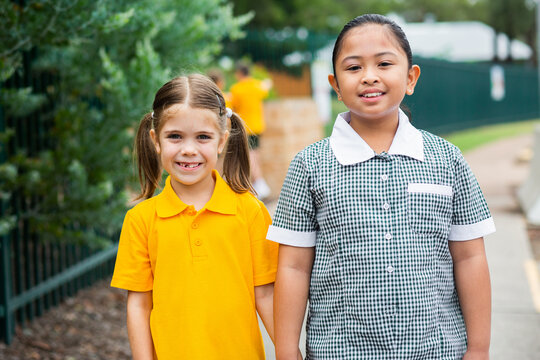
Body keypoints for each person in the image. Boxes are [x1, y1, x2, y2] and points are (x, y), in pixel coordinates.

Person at [269, 14, 495, 360]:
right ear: (336, 86)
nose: (369, 76)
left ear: (410, 78)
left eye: (384, 63)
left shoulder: (446, 159)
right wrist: (286, 350)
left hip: (436, 350)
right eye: (353, 67)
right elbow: (293, 266)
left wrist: (478, 348)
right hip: (340, 351)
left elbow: (470, 257)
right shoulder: (309, 165)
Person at [110, 74, 279, 359]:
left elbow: (266, 295)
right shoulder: (140, 220)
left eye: (203, 137)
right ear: (156, 140)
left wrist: (291, 353)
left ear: (222, 140)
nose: (188, 149)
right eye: (175, 136)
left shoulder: (250, 211)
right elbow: (138, 306)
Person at [229, 62, 272, 200]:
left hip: (246, 127)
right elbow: (266, 88)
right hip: (258, 126)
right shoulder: (256, 86)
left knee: (251, 156)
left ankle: (260, 184)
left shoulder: (236, 89)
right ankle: (258, 185)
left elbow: (232, 105)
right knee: (255, 154)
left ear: (239, 73)